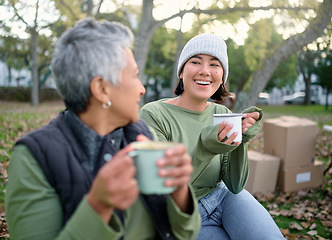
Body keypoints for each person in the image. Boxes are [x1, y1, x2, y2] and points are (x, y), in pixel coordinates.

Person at [5, 18, 201, 240]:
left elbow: (186, 234)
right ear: (102, 89)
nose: (142, 89)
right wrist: (98, 207)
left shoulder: (141, 134)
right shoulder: (34, 156)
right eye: (135, 75)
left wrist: (179, 190)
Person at [139, 33, 285, 239]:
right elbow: (163, 192)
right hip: (182, 214)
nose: (204, 71)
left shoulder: (222, 114)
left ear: (222, 76)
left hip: (224, 197)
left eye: (214, 65)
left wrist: (241, 141)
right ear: (181, 71)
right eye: (195, 61)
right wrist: (206, 148)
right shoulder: (153, 114)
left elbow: (235, 185)